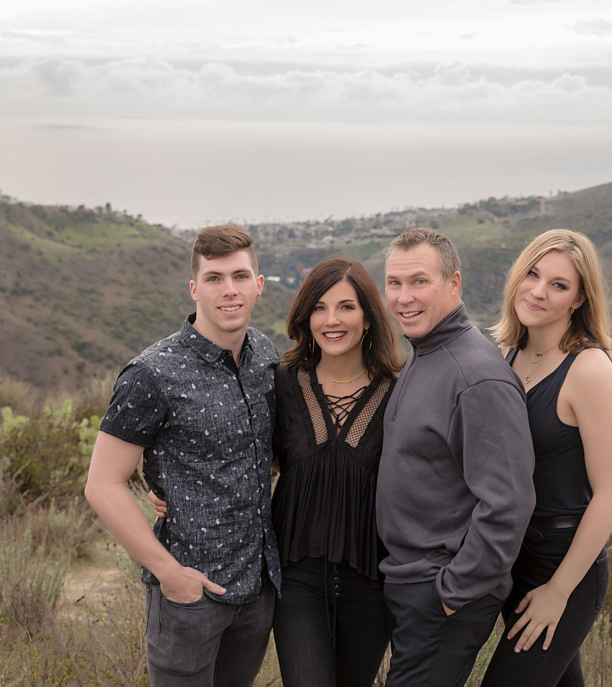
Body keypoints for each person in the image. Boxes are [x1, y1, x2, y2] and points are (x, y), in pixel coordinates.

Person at [151, 258, 403, 687]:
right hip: (297, 581)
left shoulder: (400, 390)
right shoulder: (282, 380)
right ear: (306, 317)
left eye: (346, 307)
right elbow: (245, 452)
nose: (331, 320)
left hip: (372, 584)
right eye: (319, 308)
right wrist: (174, 487)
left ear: (367, 316)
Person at [84, 223, 280, 687]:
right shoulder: (151, 373)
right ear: (195, 288)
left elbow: (263, 454)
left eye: (238, 276)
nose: (228, 290)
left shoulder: (266, 358)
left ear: (258, 285)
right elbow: (102, 485)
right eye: (214, 278)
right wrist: (170, 575)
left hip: (257, 591)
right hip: (190, 599)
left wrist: (180, 485)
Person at [376, 227, 536, 687]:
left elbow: (508, 503)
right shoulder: (426, 355)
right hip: (413, 584)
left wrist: (449, 594)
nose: (404, 297)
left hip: (442, 592)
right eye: (395, 283)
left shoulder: (476, 376)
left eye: (419, 282)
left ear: (453, 283)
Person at [480, 229, 612, 687]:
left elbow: (611, 494)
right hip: (511, 558)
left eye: (559, 285)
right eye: (533, 274)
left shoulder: (589, 369)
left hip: (563, 566)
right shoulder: (505, 355)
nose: (538, 291)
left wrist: (558, 592)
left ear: (580, 299)